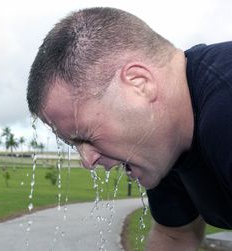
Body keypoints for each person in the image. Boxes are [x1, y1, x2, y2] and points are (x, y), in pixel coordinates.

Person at [26, 7, 232, 250]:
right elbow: (175, 235)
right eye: (74, 145)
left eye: (86, 137)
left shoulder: (225, 107)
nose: (86, 161)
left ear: (139, 84)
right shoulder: (160, 142)